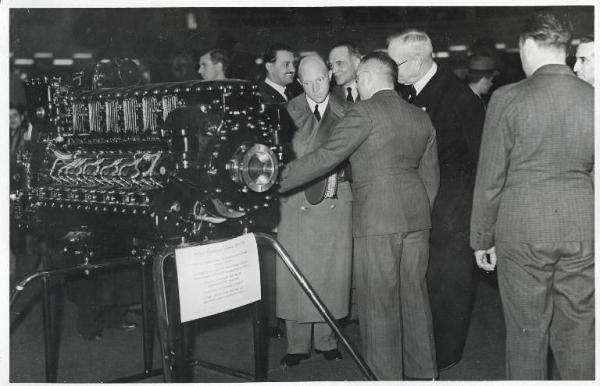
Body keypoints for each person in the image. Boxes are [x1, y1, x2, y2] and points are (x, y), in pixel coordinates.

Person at [279, 51, 439, 380]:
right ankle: (425, 376)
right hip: (417, 219)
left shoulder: (364, 113)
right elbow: (431, 177)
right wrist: (417, 212)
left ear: (366, 77)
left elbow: (326, 157)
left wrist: (275, 180)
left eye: (357, 78)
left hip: (377, 220)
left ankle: (384, 378)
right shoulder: (420, 116)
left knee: (378, 305)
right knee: (415, 299)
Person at [470, 11, 594, 380]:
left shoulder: (508, 98)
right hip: (583, 228)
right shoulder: (593, 97)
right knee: (579, 335)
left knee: (527, 335)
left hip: (522, 231)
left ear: (527, 46)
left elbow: (490, 177)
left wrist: (481, 238)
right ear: (564, 48)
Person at [387, 29, 485, 373]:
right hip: (422, 205)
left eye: (393, 62)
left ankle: (444, 356)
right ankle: (424, 351)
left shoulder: (459, 98)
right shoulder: (410, 93)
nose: (389, 69)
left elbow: (481, 161)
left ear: (416, 61)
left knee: (448, 285)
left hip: (452, 211)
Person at [276, 55, 352, 367]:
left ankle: (327, 339)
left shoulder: (347, 108)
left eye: (319, 79)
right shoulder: (285, 111)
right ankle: (296, 345)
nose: (315, 87)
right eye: (307, 82)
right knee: (295, 273)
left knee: (330, 275)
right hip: (296, 201)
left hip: (332, 199)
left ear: (330, 75)